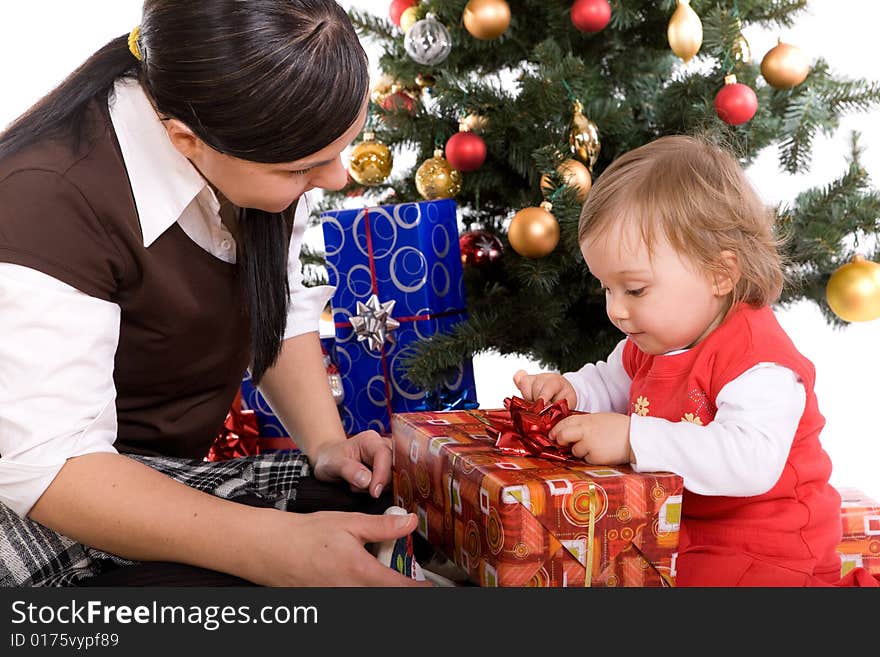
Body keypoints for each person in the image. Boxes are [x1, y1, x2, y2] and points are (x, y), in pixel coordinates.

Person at [0, 0, 430, 587]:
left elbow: (274, 306)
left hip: (147, 474)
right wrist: (270, 550)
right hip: (45, 490)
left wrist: (328, 445)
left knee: (356, 512)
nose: (337, 180)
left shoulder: (250, 143)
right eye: (306, 167)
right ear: (186, 140)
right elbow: (48, 468)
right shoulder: (45, 199)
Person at [513, 135, 878, 587]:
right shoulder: (654, 340)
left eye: (635, 289)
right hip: (687, 528)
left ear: (719, 274)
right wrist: (571, 391)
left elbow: (749, 461)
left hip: (769, 549)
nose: (616, 309)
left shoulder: (759, 362)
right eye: (607, 288)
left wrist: (632, 439)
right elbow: (611, 383)